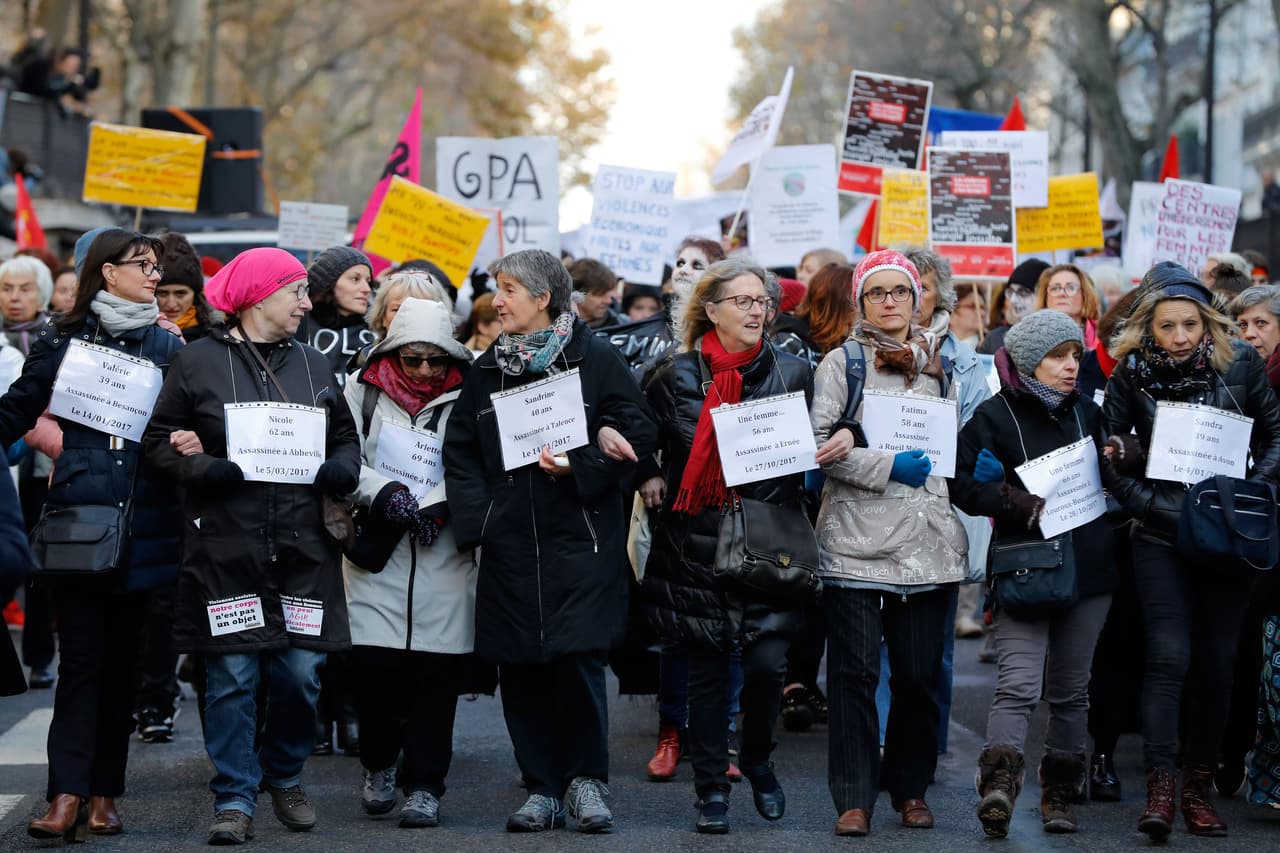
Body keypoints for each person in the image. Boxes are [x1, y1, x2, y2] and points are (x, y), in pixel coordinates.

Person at [141, 247, 361, 846]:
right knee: (233, 676)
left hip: (304, 550)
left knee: (302, 673)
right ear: (259, 296)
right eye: (295, 291)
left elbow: (345, 438)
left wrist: (341, 469)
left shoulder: (314, 364)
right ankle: (235, 797)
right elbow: (158, 441)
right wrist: (204, 469)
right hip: (227, 551)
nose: (305, 303)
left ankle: (283, 774)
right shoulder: (197, 362)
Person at [444, 249, 656, 834]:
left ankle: (586, 783)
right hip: (510, 543)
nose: (497, 301)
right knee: (520, 668)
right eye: (496, 289)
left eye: (508, 290)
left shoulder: (596, 356)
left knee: (577, 661)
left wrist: (582, 462)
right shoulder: (486, 370)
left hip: (581, 539)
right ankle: (541, 787)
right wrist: (484, 520)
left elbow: (638, 429)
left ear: (543, 298)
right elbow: (461, 453)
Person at [0, 229, 184, 840]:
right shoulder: (62, 338)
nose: (154, 275)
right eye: (143, 265)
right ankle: (65, 795)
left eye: (156, 266)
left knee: (122, 665)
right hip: (78, 522)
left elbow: (191, 422)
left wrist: (193, 440)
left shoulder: (169, 345)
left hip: (146, 524)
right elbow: (17, 409)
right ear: (108, 272)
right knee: (80, 662)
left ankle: (104, 795)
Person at [1103, 262, 1280, 840]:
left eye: (1190, 324)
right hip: (1160, 534)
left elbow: (1275, 434)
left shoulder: (1241, 363)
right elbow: (1109, 456)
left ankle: (1198, 789)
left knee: (1216, 663)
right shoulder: (1131, 372)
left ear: (1207, 323)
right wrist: (1152, 506)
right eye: (1167, 326)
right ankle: (1160, 790)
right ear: (1148, 330)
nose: (1180, 337)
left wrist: (1254, 494)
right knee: (1168, 657)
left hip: (1227, 534)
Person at [640, 257, 812, 834]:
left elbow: (821, 441)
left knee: (766, 667)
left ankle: (758, 759)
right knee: (709, 676)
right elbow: (637, 433)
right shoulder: (674, 376)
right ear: (710, 310)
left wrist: (838, 440)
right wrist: (647, 471)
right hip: (698, 544)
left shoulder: (794, 372)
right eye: (742, 301)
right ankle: (711, 790)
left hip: (769, 542)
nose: (756, 310)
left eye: (761, 300)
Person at [811, 249, 968, 837]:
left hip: (927, 542)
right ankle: (854, 797)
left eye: (900, 291)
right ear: (861, 302)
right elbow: (818, 444)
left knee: (919, 676)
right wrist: (884, 464)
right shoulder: (842, 363)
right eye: (876, 292)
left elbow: (956, 443)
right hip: (857, 541)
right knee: (854, 675)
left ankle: (910, 788)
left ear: (917, 298)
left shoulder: (941, 365)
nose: (890, 302)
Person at [952, 309, 1118, 837]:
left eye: (1074, 355)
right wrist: (1008, 497)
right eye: (1057, 357)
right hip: (1026, 565)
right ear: (1028, 362)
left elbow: (1114, 481)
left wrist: (1122, 456)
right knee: (1019, 684)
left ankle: (1060, 792)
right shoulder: (994, 416)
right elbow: (960, 483)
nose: (1070, 366)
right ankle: (999, 784)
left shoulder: (1089, 412)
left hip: (1089, 568)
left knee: (1071, 689)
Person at [342, 297, 477, 829]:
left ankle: (425, 786)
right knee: (372, 675)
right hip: (377, 555)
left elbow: (479, 460)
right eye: (412, 358)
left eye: (435, 359)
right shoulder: (360, 391)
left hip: (444, 557)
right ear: (392, 353)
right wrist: (384, 492)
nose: (424, 370)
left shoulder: (471, 393)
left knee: (435, 683)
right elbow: (343, 456)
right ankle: (378, 763)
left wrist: (440, 503)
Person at [1224, 285, 1280, 806]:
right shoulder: (1235, 376)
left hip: (1269, 522)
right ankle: (1234, 753)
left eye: (1261, 323)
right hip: (1248, 528)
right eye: (1242, 325)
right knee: (1246, 646)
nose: (1250, 334)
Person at [296, 246, 375, 386]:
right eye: (355, 279)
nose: (366, 289)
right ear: (328, 283)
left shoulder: (378, 329)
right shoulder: (297, 325)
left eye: (368, 281)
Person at [155, 232, 221, 343]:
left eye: (180, 293)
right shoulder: (139, 334)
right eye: (163, 293)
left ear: (195, 294)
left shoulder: (216, 335)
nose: (171, 304)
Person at [979, 259, 1048, 355]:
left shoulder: (1058, 337)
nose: (1013, 300)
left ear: (1043, 296)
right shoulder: (995, 339)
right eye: (1011, 291)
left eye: (1023, 292)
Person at [1033, 263, 1102, 350]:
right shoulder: (1031, 336)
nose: (1061, 293)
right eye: (1055, 288)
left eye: (1071, 288)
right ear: (1045, 297)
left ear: (1085, 295)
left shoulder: (1104, 335)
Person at [570, 258, 621, 329]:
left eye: (609, 294)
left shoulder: (620, 328)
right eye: (600, 295)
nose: (609, 301)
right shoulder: (555, 325)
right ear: (575, 294)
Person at [949, 282, 987, 349]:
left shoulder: (992, 346)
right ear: (951, 313)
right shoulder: (937, 346)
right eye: (973, 307)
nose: (982, 313)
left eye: (983, 308)